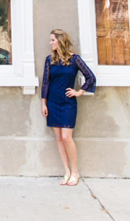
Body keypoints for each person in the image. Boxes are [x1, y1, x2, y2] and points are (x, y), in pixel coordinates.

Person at [41, 29, 96, 186]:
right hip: (52, 101)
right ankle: (66, 171)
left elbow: (90, 77)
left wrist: (79, 92)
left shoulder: (74, 59)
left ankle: (75, 172)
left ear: (60, 41)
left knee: (66, 137)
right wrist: (43, 103)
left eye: (52, 40)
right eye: (50, 40)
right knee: (58, 137)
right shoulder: (49, 60)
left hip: (67, 103)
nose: (50, 43)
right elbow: (46, 82)